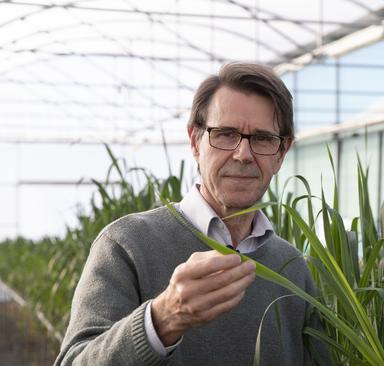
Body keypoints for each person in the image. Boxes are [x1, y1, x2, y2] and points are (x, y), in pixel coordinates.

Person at [55, 63, 331, 365]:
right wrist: (162, 319)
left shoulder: (292, 269)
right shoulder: (126, 245)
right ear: (194, 141)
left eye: (263, 139)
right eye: (225, 134)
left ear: (282, 152)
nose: (243, 154)